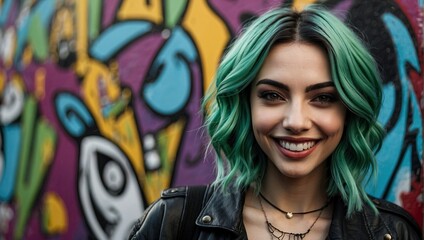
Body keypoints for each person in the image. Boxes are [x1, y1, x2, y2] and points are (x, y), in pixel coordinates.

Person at [128, 5, 422, 240]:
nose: (296, 121)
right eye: (272, 95)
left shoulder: (392, 232)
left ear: (349, 110)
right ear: (246, 104)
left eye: (322, 98)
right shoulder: (173, 223)